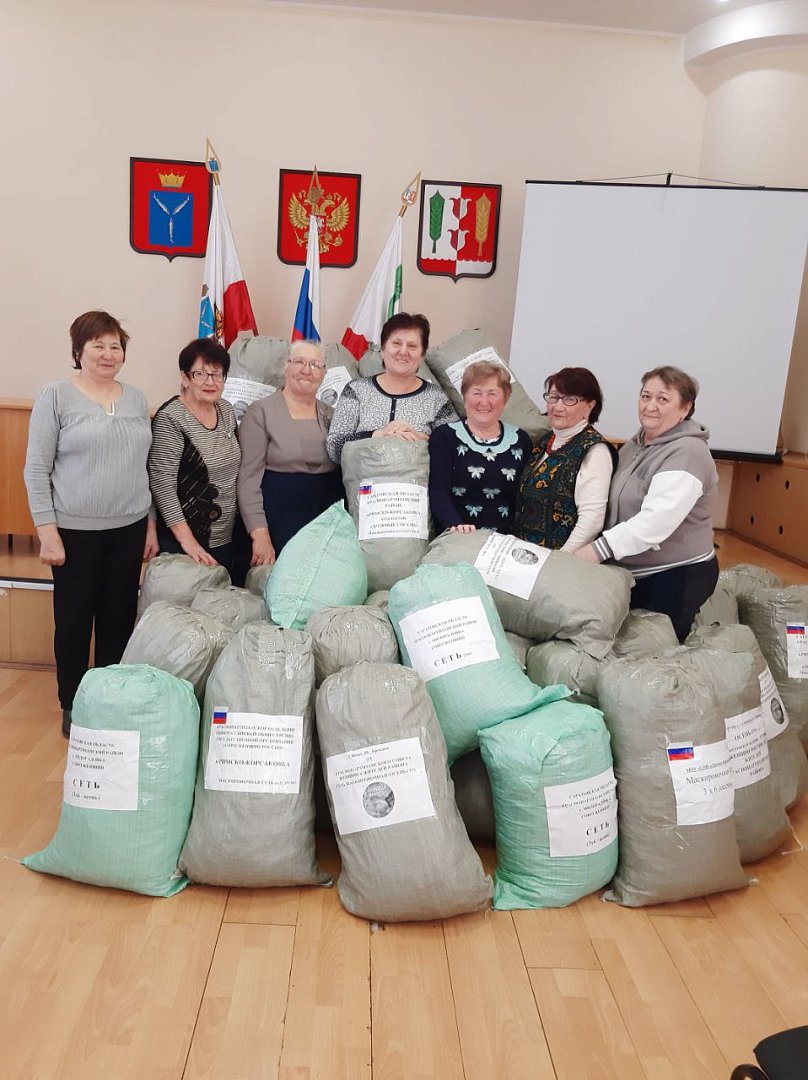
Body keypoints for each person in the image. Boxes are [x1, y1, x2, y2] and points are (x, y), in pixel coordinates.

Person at [24, 311, 158, 737]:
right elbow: (36, 469)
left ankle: (107, 699)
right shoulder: (57, 395)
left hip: (129, 527)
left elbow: (144, 468)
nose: (107, 353)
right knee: (74, 621)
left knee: (118, 618)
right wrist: (47, 531)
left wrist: (150, 524)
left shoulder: (135, 398)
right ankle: (73, 702)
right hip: (73, 533)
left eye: (115, 346)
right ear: (78, 350)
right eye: (98, 345)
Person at [574, 366, 719, 642]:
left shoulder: (688, 452)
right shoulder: (636, 444)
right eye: (645, 396)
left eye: (663, 399)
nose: (650, 406)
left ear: (685, 408)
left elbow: (654, 522)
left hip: (674, 577)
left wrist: (595, 551)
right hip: (631, 573)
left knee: (650, 653)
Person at [237, 340, 343, 565]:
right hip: (278, 521)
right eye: (299, 362)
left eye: (315, 365)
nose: (307, 370)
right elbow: (248, 479)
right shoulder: (260, 412)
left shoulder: (332, 414)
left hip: (325, 522)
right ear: (286, 366)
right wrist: (260, 535)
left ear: (324, 373)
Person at [148, 338, 240, 572]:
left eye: (217, 374)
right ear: (184, 378)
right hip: (187, 542)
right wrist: (188, 542)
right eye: (200, 374)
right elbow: (162, 486)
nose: (210, 382)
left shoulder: (226, 409)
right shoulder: (171, 418)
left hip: (227, 535)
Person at [326, 312, 456, 462]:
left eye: (412, 346)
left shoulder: (436, 398)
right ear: (383, 349)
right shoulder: (356, 390)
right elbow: (334, 448)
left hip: (417, 477)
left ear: (422, 355)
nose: (403, 351)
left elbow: (456, 450)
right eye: (396, 343)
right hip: (363, 477)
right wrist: (377, 434)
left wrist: (423, 439)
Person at [514, 367, 616, 551]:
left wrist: (561, 558)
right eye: (553, 397)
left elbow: (591, 520)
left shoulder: (595, 450)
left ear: (590, 406)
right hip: (526, 554)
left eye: (569, 399)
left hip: (560, 559)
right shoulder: (543, 442)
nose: (558, 406)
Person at [428, 360, 532, 533]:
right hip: (458, 537)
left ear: (505, 399)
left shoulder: (521, 440)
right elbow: (438, 492)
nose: (484, 401)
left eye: (492, 393)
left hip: (505, 540)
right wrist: (455, 525)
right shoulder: (445, 437)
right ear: (465, 397)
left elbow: (524, 499)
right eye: (477, 393)